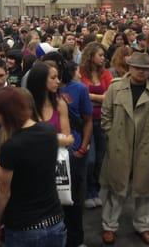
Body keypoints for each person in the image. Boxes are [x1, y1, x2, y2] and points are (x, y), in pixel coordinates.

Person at [100, 52, 149, 245]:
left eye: (144, 69)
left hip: (147, 147)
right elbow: (106, 115)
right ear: (129, 67)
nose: (141, 72)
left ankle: (143, 226)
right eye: (137, 68)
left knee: (145, 191)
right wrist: (112, 135)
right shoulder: (115, 88)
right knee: (115, 189)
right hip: (119, 146)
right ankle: (109, 226)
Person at [0, 87, 65, 247]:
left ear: (8, 115)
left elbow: (3, 193)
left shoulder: (11, 147)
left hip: (24, 228)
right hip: (55, 222)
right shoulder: (49, 132)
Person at [59, 60, 93, 247]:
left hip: (74, 151)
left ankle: (75, 239)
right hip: (53, 154)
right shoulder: (41, 93)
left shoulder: (79, 89)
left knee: (75, 197)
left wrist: (83, 147)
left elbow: (87, 120)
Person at [80, 42, 113, 209]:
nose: (103, 58)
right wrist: (98, 97)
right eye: (100, 55)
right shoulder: (80, 73)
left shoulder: (105, 73)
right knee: (90, 159)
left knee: (101, 158)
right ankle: (89, 191)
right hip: (86, 121)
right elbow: (81, 94)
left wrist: (90, 96)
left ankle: (96, 189)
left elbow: (110, 96)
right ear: (91, 56)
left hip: (103, 120)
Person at [26, 62, 74, 148]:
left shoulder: (60, 104)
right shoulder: (26, 106)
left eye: (58, 77)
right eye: (53, 78)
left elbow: (68, 140)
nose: (58, 81)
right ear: (40, 80)